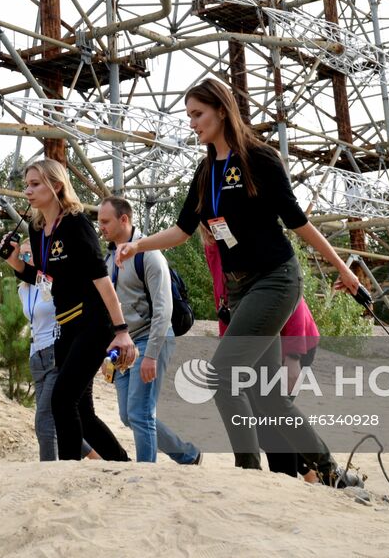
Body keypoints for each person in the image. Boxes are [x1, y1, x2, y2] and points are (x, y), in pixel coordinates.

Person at [117, 77, 362, 486]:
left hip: (275, 279)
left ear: (221, 110)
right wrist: (137, 245)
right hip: (239, 288)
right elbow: (181, 230)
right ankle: (328, 468)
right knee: (266, 395)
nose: (192, 123)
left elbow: (297, 221)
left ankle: (247, 472)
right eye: (189, 115)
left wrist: (342, 267)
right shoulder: (205, 172)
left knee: (223, 376)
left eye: (198, 114)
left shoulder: (259, 159)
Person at [2, 159, 132, 461]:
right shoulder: (37, 229)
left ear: (56, 185)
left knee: (62, 400)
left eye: (35, 184)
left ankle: (69, 470)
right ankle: (122, 464)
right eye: (26, 185)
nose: (28, 191)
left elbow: (102, 281)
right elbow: (46, 280)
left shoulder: (75, 223)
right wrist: (14, 262)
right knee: (82, 411)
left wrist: (121, 331)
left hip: (92, 323)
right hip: (67, 327)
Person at [205, 228, 319, 480]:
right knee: (259, 418)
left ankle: (294, 479)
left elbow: (289, 298)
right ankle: (309, 471)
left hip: (294, 337)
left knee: (272, 420)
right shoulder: (213, 246)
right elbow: (227, 300)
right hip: (258, 338)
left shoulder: (246, 236)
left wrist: (294, 356)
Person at [96, 195, 201, 465]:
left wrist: (152, 354)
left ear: (124, 219)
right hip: (124, 344)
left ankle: (145, 476)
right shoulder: (109, 257)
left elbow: (164, 310)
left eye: (105, 221)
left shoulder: (150, 256)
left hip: (151, 338)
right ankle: (188, 454)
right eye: (99, 222)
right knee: (128, 415)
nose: (101, 227)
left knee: (140, 414)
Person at [17, 261, 97, 462]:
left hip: (56, 352)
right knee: (57, 421)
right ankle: (98, 458)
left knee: (44, 422)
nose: (25, 259)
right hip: (36, 356)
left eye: (30, 254)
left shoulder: (52, 282)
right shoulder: (23, 290)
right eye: (22, 254)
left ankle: (48, 475)